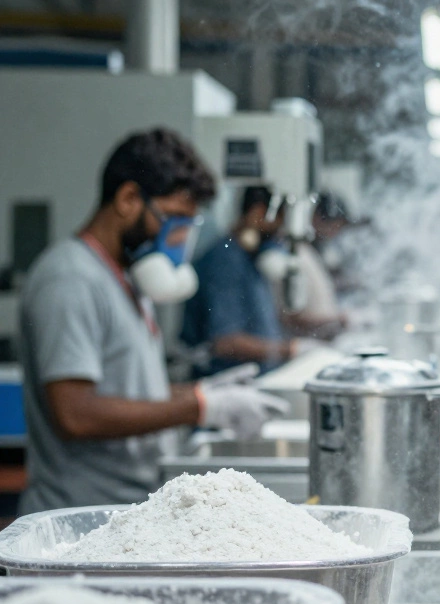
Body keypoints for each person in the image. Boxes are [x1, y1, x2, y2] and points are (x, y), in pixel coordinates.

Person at [17, 129, 289, 514]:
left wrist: (199, 392)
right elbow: (76, 414)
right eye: (174, 219)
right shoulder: (70, 279)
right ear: (128, 199)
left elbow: (129, 393)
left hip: (124, 509)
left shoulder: (127, 280)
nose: (179, 238)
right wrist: (198, 407)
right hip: (80, 516)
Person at [182, 185, 303, 377]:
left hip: (261, 376)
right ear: (257, 214)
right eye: (278, 224)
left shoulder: (252, 258)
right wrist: (289, 350)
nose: (278, 235)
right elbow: (225, 342)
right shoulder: (226, 260)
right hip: (229, 382)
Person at [280, 190, 350, 341]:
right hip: (302, 344)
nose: (335, 232)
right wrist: (339, 320)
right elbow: (291, 316)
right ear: (316, 219)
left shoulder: (314, 252)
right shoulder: (296, 255)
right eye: (334, 225)